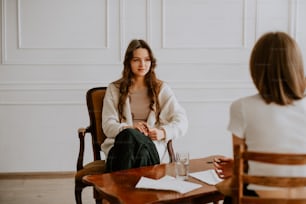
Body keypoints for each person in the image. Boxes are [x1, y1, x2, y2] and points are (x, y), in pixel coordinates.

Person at [214, 31, 306, 202]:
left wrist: (236, 167)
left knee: (228, 193)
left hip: (262, 199)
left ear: (256, 67)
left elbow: (241, 169)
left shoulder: (241, 107)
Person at [101, 39, 188, 172]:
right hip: (120, 149)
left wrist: (163, 132)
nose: (142, 64)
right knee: (129, 135)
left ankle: (119, 190)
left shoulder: (161, 89)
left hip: (149, 148)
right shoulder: (114, 89)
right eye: (136, 60)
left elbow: (182, 121)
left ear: (151, 62)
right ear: (128, 62)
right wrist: (130, 128)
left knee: (139, 149)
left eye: (147, 60)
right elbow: (108, 125)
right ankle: (139, 191)